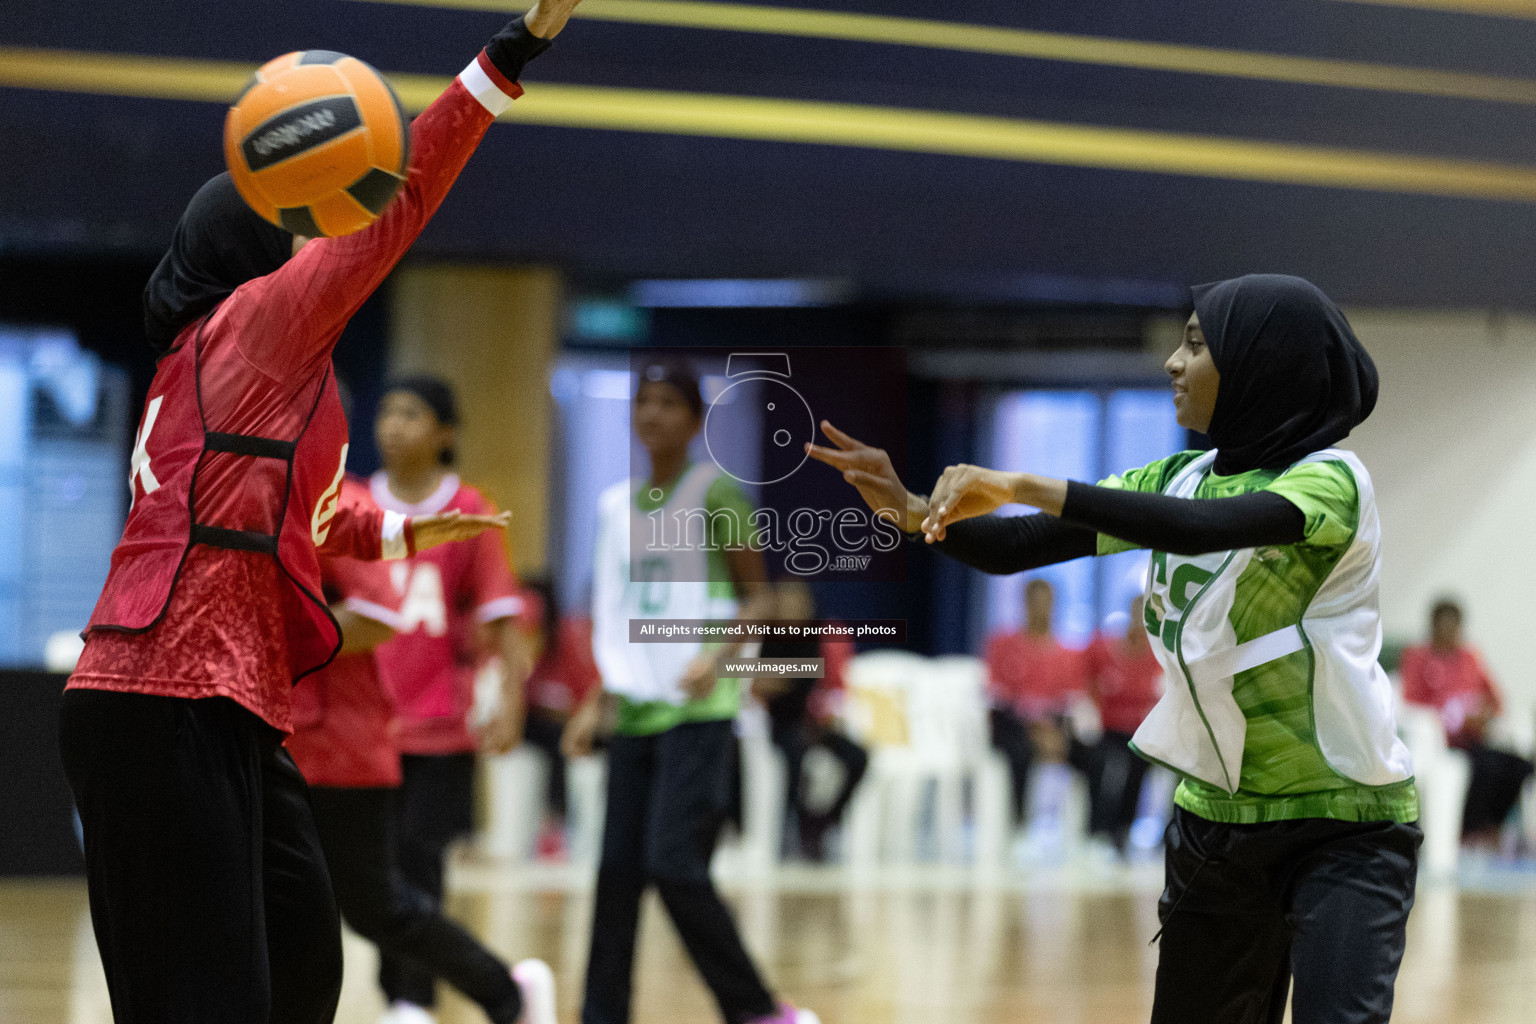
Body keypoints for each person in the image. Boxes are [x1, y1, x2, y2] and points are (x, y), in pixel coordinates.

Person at [58, 6, 583, 1022]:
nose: (313, 244)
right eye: (291, 227)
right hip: (163, 697)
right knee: (212, 1000)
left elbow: (292, 515)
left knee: (303, 967)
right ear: (255, 251)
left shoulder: (216, 369)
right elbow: (401, 203)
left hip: (216, 705)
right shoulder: (250, 329)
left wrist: (392, 532)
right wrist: (507, 57)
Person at [810, 274, 1420, 1024]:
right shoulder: (1180, 477)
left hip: (1346, 825)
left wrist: (1025, 482)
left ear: (1262, 365)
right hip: (1216, 824)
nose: (1172, 361)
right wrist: (910, 510)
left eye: (1197, 345)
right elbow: (1013, 548)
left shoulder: (1331, 481)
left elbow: (1199, 531)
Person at [561, 359, 819, 1024]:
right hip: (634, 711)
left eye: (670, 403)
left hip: (698, 710)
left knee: (674, 865)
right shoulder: (613, 506)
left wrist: (718, 659)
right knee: (615, 876)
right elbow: (615, 617)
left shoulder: (717, 493)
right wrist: (596, 701)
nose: (653, 414)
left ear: (696, 420)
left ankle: (758, 1009)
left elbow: (760, 598)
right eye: (644, 401)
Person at [286, 474, 556, 1024]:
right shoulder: (268, 489)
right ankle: (420, 1000)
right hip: (287, 736)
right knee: (296, 904)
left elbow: (384, 613)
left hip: (359, 739)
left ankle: (483, 995)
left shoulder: (352, 506)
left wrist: (510, 702)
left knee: (390, 894)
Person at [367, 375, 536, 1021]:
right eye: (386, 412)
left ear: (445, 433)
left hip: (439, 723)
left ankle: (412, 1000)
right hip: (363, 726)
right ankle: (409, 993)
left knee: (419, 862)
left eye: (410, 413)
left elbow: (503, 620)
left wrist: (511, 704)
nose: (393, 425)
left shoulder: (469, 510)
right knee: (370, 875)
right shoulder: (352, 502)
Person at [1401, 599, 1534, 850]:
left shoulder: (1469, 657)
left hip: (1475, 741)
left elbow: (1496, 701)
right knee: (1483, 768)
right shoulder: (1418, 658)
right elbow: (1410, 705)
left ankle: (1489, 829)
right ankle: (1467, 832)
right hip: (1440, 746)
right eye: (1443, 627)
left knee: (1520, 766)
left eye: (1454, 627)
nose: (1449, 634)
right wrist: (1454, 720)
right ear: (1433, 627)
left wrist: (1484, 714)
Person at [751, 582, 869, 862]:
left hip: (813, 723)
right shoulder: (767, 637)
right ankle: (790, 832)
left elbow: (810, 679)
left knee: (858, 756)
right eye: (788, 602)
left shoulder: (814, 636)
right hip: (777, 726)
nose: (795, 608)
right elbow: (753, 681)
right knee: (795, 756)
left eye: (800, 602)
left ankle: (824, 822)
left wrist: (779, 679)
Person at [983, 577, 1083, 831]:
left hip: (1053, 730)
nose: (1041, 608)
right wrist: (1033, 726)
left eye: (1046, 602)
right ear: (1024, 604)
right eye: (1035, 601)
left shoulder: (1066, 654)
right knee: (1020, 751)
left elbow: (1069, 703)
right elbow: (996, 697)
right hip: (1011, 727)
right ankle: (1018, 824)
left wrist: (1055, 731)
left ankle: (1098, 832)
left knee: (1094, 754)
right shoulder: (1002, 644)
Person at [520, 575, 603, 859]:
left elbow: (582, 692)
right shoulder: (528, 644)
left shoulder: (572, 636)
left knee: (559, 742)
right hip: (537, 723)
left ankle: (555, 823)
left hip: (574, 724)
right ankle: (548, 824)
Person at [1075, 597, 1163, 856]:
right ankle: (1098, 829)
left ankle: (1122, 829)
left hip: (1142, 731)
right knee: (1101, 760)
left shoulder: (1160, 656)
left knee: (1139, 760)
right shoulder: (1103, 649)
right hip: (1106, 730)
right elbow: (1085, 687)